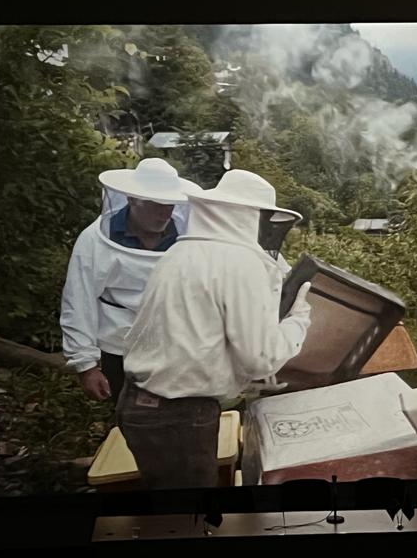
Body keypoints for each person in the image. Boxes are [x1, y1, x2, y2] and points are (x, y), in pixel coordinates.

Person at [118, 169, 313, 489]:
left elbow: (201, 333)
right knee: (190, 515)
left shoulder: (180, 252)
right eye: (265, 218)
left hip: (143, 405)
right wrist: (298, 320)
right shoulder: (239, 263)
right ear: (249, 217)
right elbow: (261, 358)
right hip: (177, 416)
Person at [60, 158, 200, 405]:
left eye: (169, 204)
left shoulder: (189, 238)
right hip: (119, 351)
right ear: (132, 198)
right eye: (155, 203)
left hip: (177, 348)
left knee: (176, 417)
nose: (164, 212)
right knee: (128, 418)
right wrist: (86, 365)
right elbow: (78, 300)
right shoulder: (94, 240)